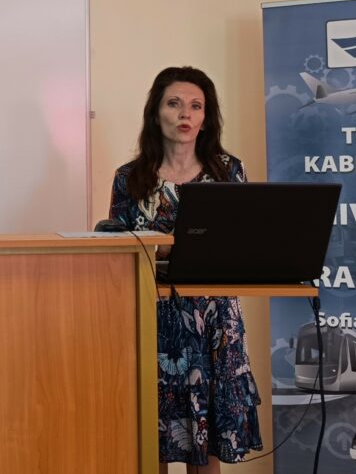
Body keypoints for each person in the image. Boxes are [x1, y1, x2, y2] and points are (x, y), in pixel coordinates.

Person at [108, 66, 262, 473]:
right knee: (151, 442)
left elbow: (244, 242)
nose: (184, 114)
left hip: (215, 322)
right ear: (155, 113)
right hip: (151, 319)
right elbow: (117, 253)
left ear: (206, 117)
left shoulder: (228, 171)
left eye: (196, 106)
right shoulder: (128, 179)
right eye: (174, 104)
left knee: (206, 449)